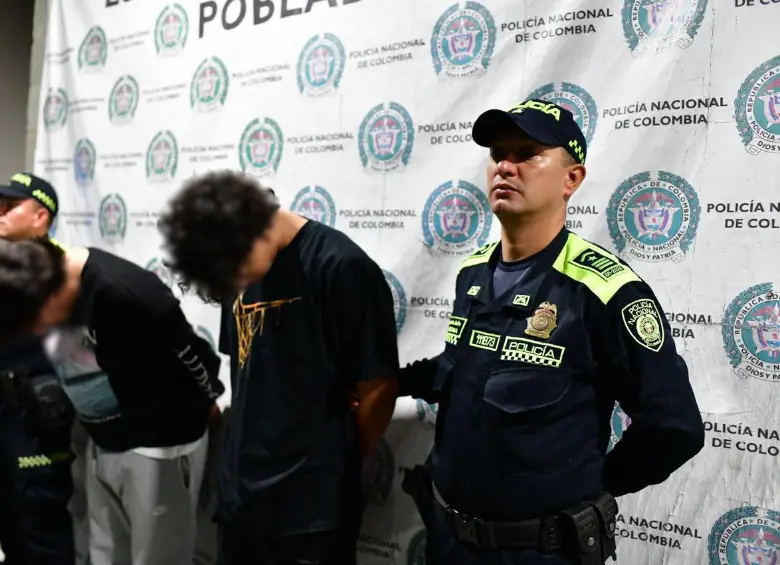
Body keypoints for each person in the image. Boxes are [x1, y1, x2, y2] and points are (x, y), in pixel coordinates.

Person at [398, 99, 706, 565]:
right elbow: (461, 367)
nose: (505, 166)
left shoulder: (604, 292)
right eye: (498, 154)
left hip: (538, 552)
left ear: (571, 179)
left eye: (527, 154)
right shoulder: (473, 273)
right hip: (448, 543)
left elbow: (674, 426)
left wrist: (592, 486)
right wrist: (385, 379)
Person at [156, 171, 400, 565]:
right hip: (241, 499)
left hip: (313, 508)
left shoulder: (341, 266)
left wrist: (336, 457)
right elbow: (246, 371)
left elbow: (379, 387)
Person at [0, 234, 225, 565]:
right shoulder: (43, 281)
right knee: (105, 554)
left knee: (157, 557)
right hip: (103, 439)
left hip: (159, 445)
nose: (37, 330)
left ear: (55, 289)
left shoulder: (128, 293)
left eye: (37, 318)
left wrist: (207, 402)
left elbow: (196, 360)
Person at [0, 172, 77, 565]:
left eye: (11, 206)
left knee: (39, 531)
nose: (1, 213)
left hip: (37, 421)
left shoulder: (67, 268)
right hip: (3, 417)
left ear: (40, 216)